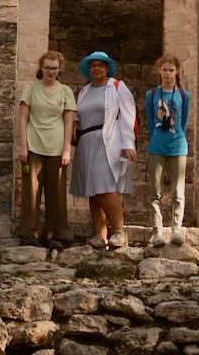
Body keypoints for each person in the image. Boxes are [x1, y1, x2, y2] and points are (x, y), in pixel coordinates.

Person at [70, 50, 137, 250]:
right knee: (92, 189)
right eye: (93, 65)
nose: (96, 68)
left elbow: (128, 115)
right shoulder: (84, 91)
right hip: (86, 142)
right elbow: (79, 114)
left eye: (100, 65)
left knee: (105, 185)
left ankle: (119, 231)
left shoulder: (117, 87)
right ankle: (100, 235)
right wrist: (74, 123)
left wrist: (127, 143)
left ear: (107, 68)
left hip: (107, 140)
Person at [18, 50, 76, 249]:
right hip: (33, 145)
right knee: (31, 191)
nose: (51, 71)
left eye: (54, 68)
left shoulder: (65, 91)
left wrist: (67, 149)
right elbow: (23, 118)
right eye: (47, 67)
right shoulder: (30, 88)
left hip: (57, 147)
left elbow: (68, 122)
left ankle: (51, 234)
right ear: (41, 68)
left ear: (60, 69)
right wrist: (23, 145)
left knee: (56, 192)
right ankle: (33, 233)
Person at [145, 54, 190, 246]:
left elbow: (184, 121)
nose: (168, 73)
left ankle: (176, 230)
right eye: (165, 70)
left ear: (177, 71)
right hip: (157, 145)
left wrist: (178, 136)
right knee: (155, 190)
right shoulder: (151, 95)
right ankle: (157, 230)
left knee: (178, 191)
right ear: (159, 71)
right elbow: (150, 120)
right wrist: (157, 136)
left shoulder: (183, 95)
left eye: (171, 70)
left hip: (178, 146)